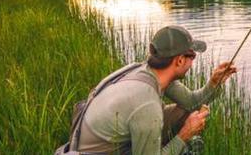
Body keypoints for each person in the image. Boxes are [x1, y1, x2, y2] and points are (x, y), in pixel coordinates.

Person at [75, 25, 237, 155]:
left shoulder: (148, 71)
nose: (192, 63)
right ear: (179, 60)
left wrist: (215, 83)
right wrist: (185, 134)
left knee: (186, 111)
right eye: (192, 57)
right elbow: (147, 111)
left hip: (106, 139)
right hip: (98, 151)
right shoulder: (147, 105)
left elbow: (191, 103)